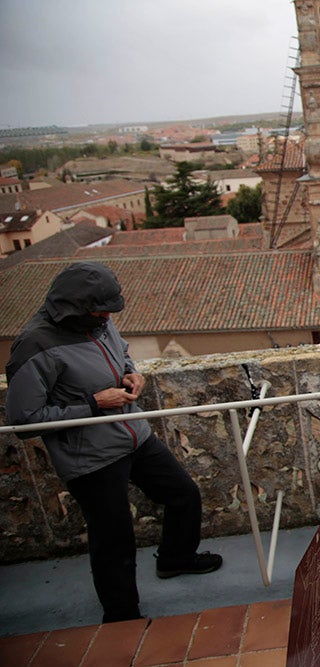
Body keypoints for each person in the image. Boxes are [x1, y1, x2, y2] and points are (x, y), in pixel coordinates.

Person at [5, 262, 222, 623]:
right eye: (101, 309)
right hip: (89, 456)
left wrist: (131, 372)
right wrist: (94, 404)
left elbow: (119, 350)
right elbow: (23, 422)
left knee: (183, 494)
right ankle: (121, 617)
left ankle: (175, 560)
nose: (108, 315)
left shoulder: (99, 321)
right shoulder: (34, 345)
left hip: (133, 435)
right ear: (75, 307)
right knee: (113, 538)